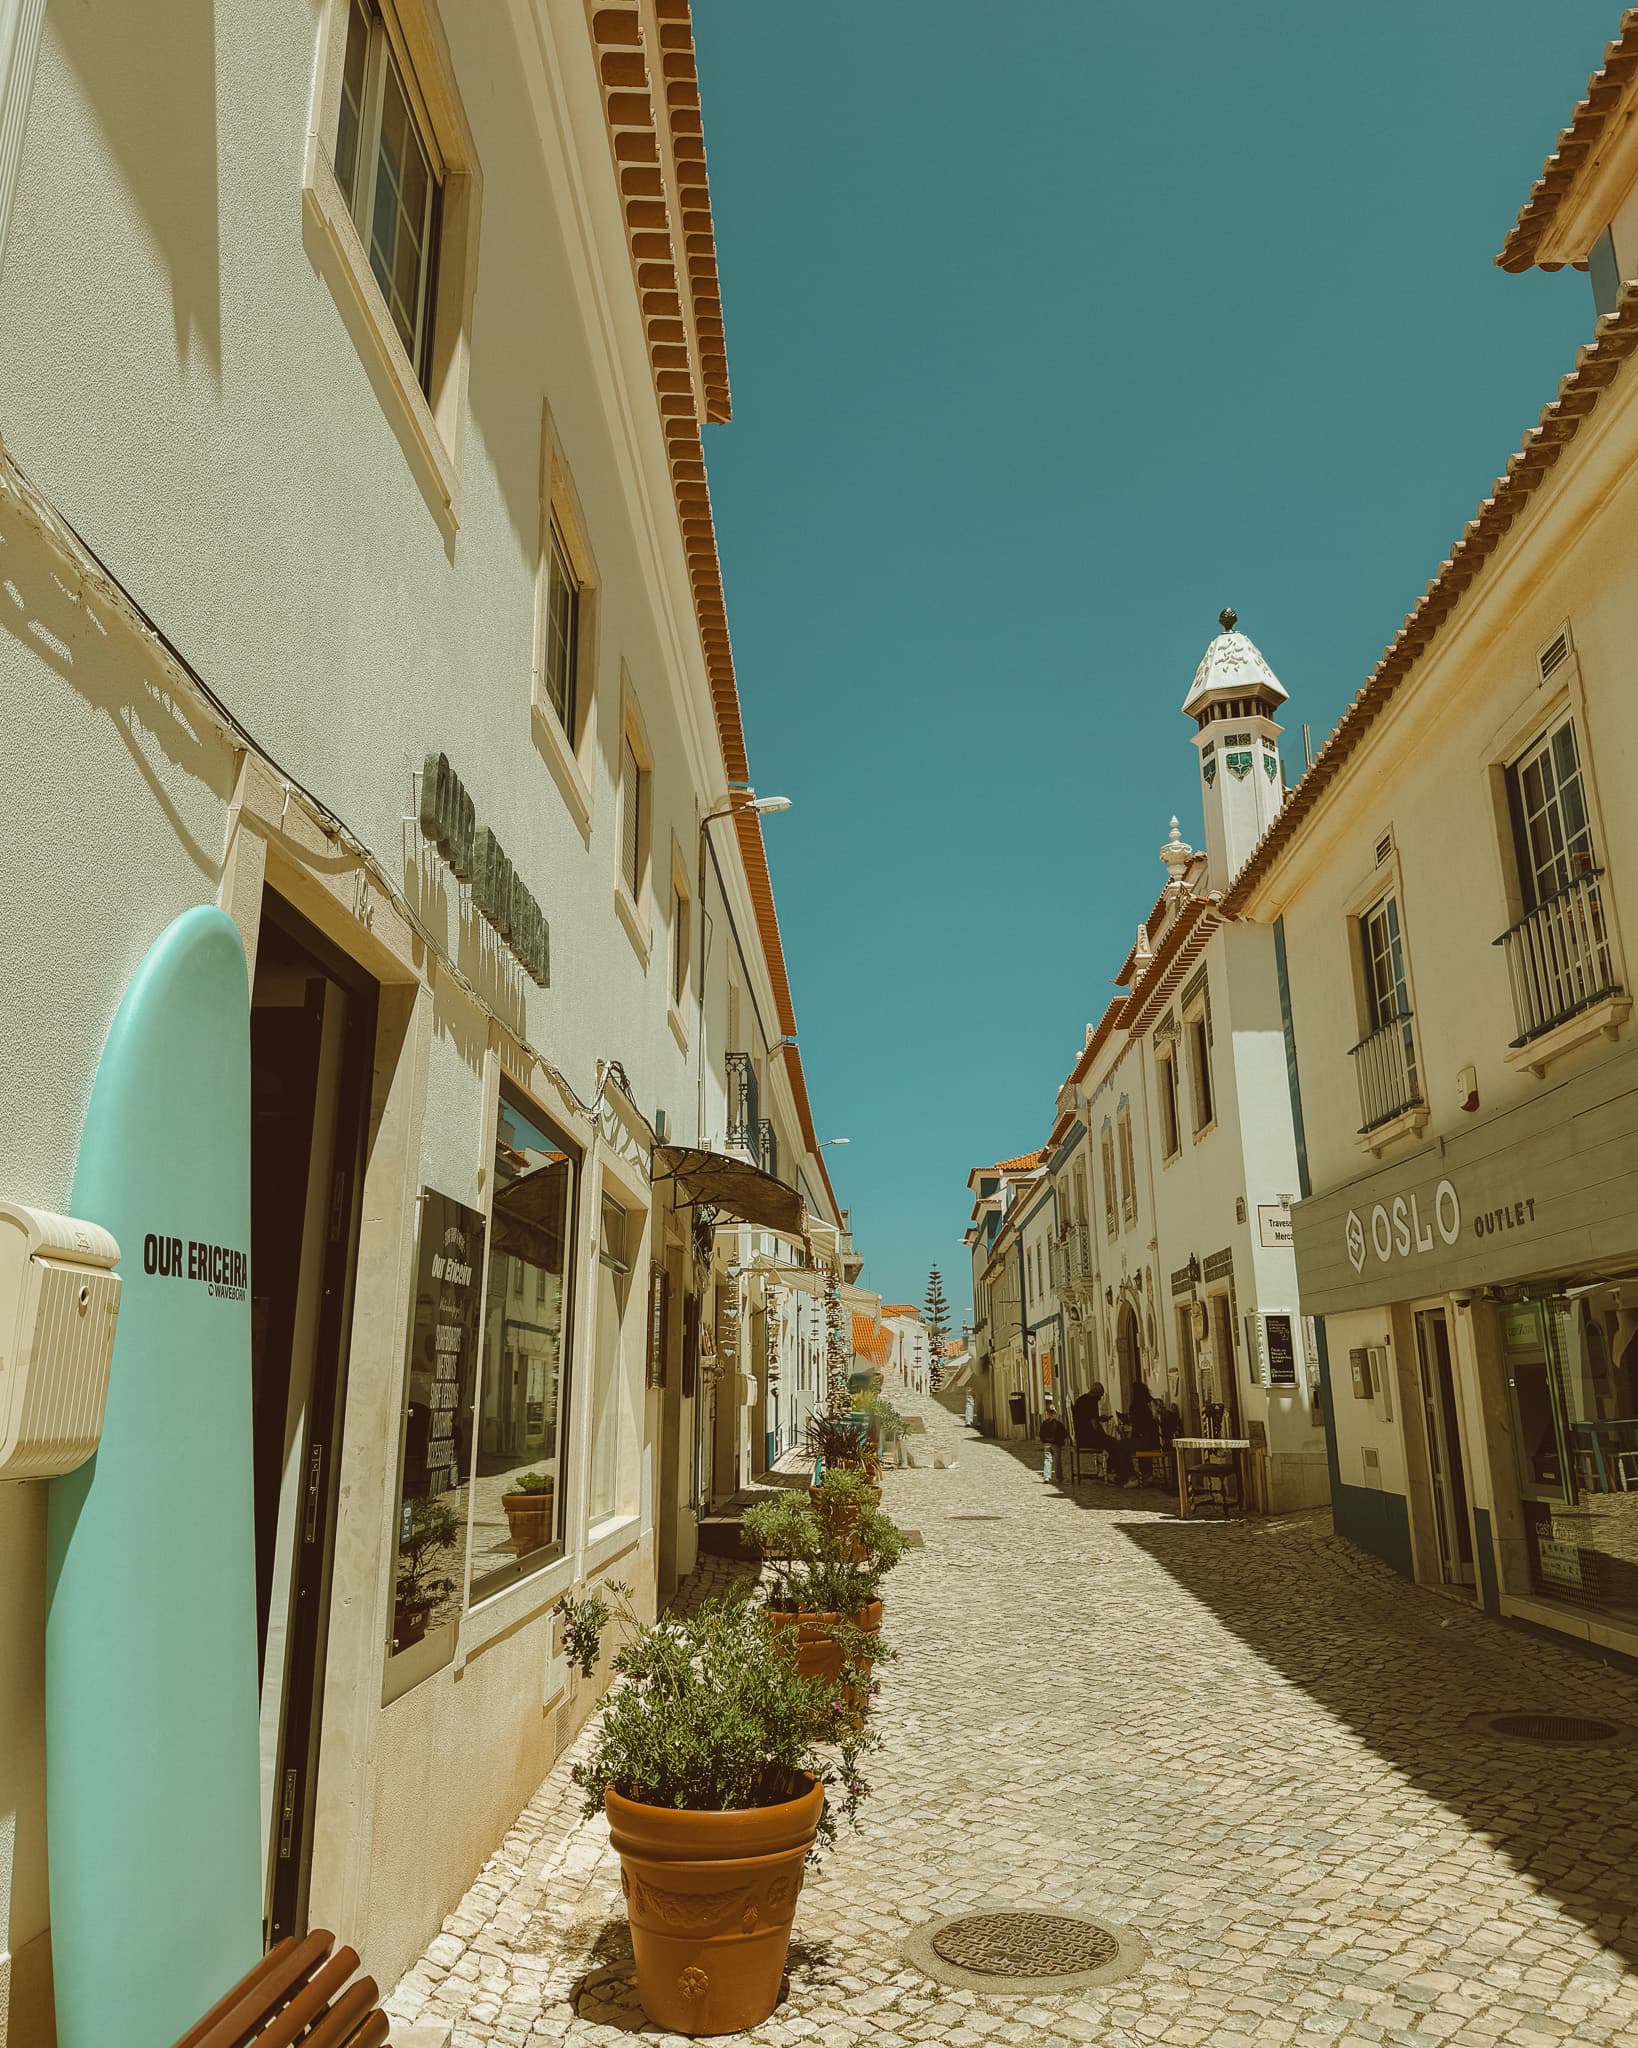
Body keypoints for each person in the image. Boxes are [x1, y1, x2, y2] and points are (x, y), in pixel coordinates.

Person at [1072, 1382, 1132, 1485]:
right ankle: (1112, 1472)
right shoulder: (1091, 1402)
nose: (1100, 1399)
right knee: (1116, 1445)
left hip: (1081, 1436)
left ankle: (1112, 1470)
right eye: (1100, 1396)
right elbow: (1095, 1425)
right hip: (1089, 1438)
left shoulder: (1081, 1400)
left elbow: (1086, 1419)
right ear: (1095, 1393)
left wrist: (1100, 1419)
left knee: (1113, 1443)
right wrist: (1103, 1436)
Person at [1039, 1396, 1069, 1484]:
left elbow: (1041, 1434)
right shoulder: (1059, 1424)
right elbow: (1065, 1434)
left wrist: (1044, 1441)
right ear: (1055, 1414)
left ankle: (1047, 1477)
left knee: (1047, 1460)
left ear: (1047, 1414)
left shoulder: (1044, 1423)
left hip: (1047, 1444)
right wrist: (1061, 1441)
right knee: (1057, 1461)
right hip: (1056, 1444)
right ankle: (1059, 1477)